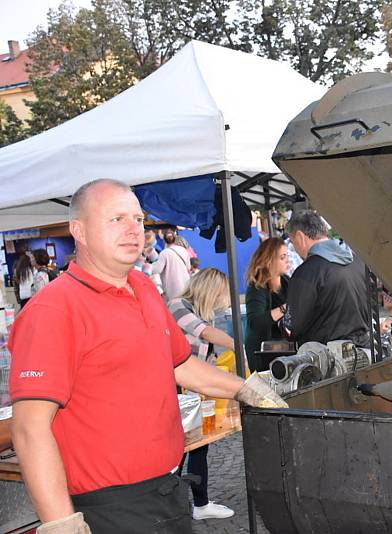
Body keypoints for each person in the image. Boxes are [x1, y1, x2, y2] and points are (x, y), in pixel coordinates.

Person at [9, 179, 286, 534]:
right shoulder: (53, 309)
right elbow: (30, 428)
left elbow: (181, 366)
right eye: (116, 219)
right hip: (108, 506)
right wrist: (60, 522)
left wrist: (246, 388)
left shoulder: (143, 289)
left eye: (138, 220)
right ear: (78, 230)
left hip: (166, 490)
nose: (133, 230)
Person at [168, 268, 236, 520]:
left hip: (195, 391)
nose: (221, 301)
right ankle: (171, 506)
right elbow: (204, 333)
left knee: (201, 444)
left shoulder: (201, 312)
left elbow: (205, 352)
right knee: (177, 448)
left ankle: (201, 502)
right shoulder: (177, 305)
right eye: (220, 295)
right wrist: (235, 343)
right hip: (175, 389)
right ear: (209, 290)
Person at [284, 210, 371, 349]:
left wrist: (283, 325)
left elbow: (293, 327)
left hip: (326, 360)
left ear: (300, 236)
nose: (294, 249)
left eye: (293, 242)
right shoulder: (358, 261)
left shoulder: (306, 273)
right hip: (364, 350)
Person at [244, 238, 290, 371]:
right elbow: (256, 322)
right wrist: (285, 308)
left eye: (287, 256)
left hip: (285, 349)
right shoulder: (257, 287)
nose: (287, 260)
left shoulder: (287, 281)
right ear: (269, 260)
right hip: (263, 354)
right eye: (282, 257)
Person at [151, 226, 192, 301]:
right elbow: (188, 267)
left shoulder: (164, 253)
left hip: (172, 289)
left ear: (164, 240)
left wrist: (150, 264)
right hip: (185, 286)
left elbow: (156, 270)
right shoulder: (183, 250)